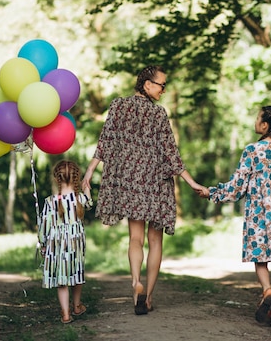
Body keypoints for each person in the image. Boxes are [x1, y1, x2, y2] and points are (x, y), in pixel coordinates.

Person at [81, 65, 205, 315]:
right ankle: (147, 297)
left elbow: (105, 140)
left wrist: (90, 171)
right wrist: (192, 183)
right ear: (147, 85)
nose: (164, 90)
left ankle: (135, 282)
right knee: (155, 240)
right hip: (156, 184)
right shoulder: (159, 114)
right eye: (161, 85)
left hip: (130, 183)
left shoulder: (117, 105)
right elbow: (172, 154)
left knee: (135, 238)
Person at [199, 106, 271, 327]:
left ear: (265, 125)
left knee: (260, 260)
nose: (255, 122)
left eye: (257, 118)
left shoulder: (252, 151)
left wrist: (212, 192)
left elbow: (238, 186)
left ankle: (266, 290)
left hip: (259, 215)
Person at [39, 160, 93, 324]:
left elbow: (44, 225)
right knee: (76, 273)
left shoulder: (50, 201)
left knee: (62, 279)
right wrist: (87, 190)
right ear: (77, 178)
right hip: (76, 244)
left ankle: (65, 314)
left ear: (57, 179)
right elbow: (90, 204)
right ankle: (77, 306)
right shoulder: (80, 199)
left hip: (56, 245)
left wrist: (42, 243)